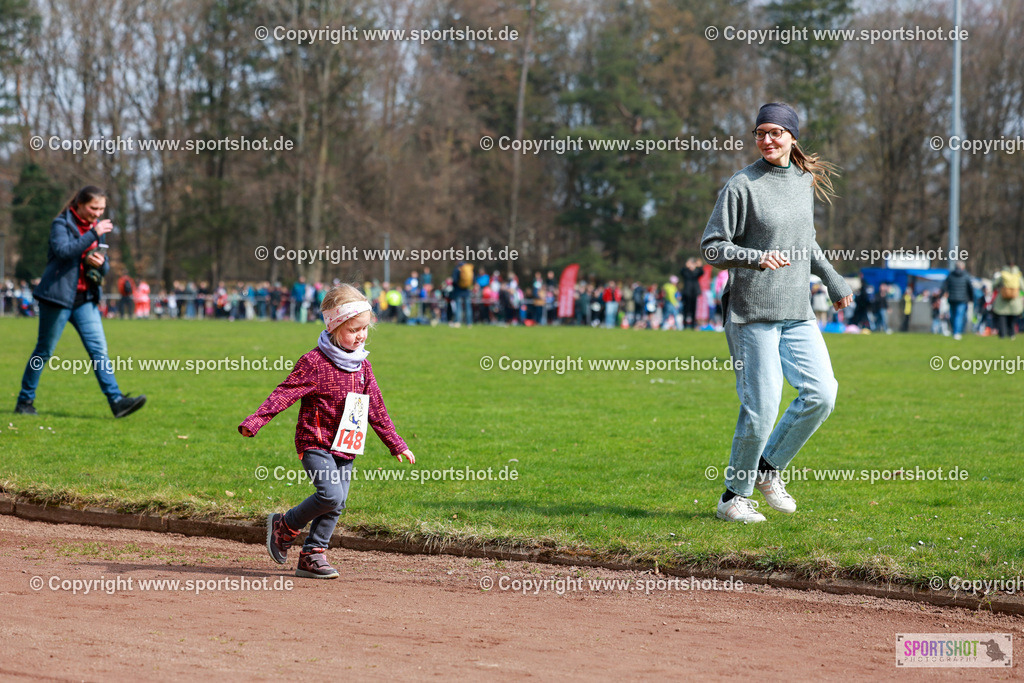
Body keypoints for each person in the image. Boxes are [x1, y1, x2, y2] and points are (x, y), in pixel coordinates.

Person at [701, 103, 853, 523]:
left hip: (798, 312)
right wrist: (754, 257)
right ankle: (733, 497)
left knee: (822, 394)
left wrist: (834, 281)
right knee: (762, 407)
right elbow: (712, 247)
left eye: (775, 132)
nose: (767, 139)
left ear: (792, 137)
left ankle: (767, 470)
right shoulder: (742, 185)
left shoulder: (803, 182)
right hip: (752, 314)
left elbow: (808, 244)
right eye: (760, 133)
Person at [239, 284, 415, 579]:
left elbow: (376, 410)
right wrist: (256, 421)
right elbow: (285, 393)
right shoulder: (314, 363)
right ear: (334, 327)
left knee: (337, 503)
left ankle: (312, 555)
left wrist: (396, 444)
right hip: (315, 442)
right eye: (354, 329)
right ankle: (285, 526)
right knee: (331, 495)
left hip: (347, 443)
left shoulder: (363, 367)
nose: (361, 335)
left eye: (365, 329)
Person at [15, 186, 146, 417]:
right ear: (79, 204)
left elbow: (103, 265)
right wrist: (94, 234)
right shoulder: (61, 225)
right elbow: (64, 251)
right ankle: (25, 401)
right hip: (57, 298)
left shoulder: (97, 229)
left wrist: (99, 263)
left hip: (85, 299)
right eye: (93, 208)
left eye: (102, 209)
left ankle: (117, 401)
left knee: (99, 351)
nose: (97, 213)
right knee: (43, 351)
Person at [942, 261, 975, 340]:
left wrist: (944, 294)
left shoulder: (950, 275)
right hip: (962, 299)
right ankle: (957, 332)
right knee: (959, 316)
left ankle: (954, 331)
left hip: (952, 298)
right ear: (963, 267)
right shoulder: (966, 276)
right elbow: (970, 288)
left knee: (953, 316)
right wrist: (971, 299)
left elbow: (945, 286)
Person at [992, 261, 1022, 339]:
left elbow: (994, 285)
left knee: (1002, 317)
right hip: (1014, 301)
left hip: (1002, 300)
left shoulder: (1002, 275)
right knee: (1012, 318)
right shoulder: (1018, 275)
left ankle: (1002, 334)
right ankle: (1012, 334)